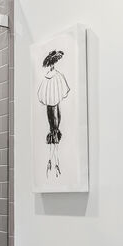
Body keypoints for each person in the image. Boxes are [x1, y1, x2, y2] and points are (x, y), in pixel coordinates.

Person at [37, 49, 70, 178]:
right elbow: (64, 91)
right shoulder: (57, 76)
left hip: (50, 108)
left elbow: (41, 95)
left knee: (53, 130)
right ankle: (54, 161)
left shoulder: (46, 78)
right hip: (55, 107)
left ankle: (52, 161)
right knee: (55, 130)